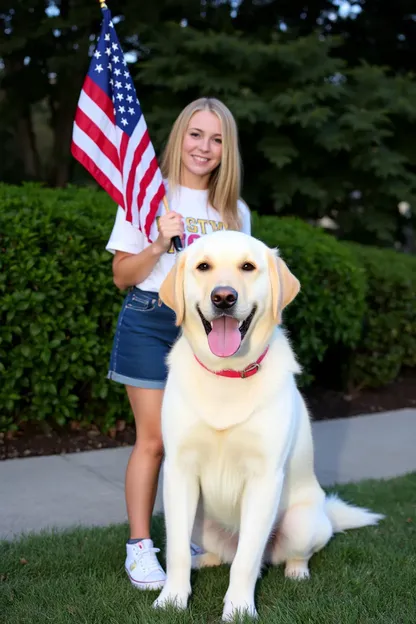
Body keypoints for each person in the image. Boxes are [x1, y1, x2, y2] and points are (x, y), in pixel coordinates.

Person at [105, 97, 251, 590]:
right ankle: (140, 548)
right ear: (179, 137)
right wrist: (157, 244)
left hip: (209, 334)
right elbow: (121, 276)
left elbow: (242, 287)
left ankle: (188, 534)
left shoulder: (234, 211)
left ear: (225, 149)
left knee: (206, 439)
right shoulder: (148, 195)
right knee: (157, 440)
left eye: (216, 139)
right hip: (150, 321)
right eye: (196, 134)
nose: (204, 147)